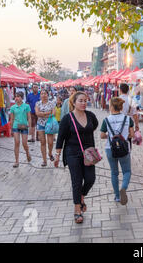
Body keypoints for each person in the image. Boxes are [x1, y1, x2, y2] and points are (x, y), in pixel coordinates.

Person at [55, 91, 99, 224]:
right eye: (80, 101)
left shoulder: (91, 116)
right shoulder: (67, 119)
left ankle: (81, 196)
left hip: (89, 153)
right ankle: (77, 210)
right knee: (77, 181)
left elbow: (94, 126)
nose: (84, 103)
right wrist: (57, 155)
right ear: (73, 103)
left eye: (85, 100)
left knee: (91, 179)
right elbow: (61, 138)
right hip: (72, 153)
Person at [100, 97, 134, 205]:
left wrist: (111, 137)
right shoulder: (128, 119)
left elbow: (102, 135)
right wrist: (122, 137)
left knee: (114, 173)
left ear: (111, 106)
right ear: (121, 107)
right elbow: (132, 134)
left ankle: (117, 196)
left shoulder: (106, 120)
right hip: (124, 149)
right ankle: (123, 187)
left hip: (110, 149)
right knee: (127, 171)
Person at [9, 92, 32, 167]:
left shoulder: (26, 106)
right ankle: (16, 161)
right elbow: (12, 119)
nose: (16, 98)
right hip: (16, 126)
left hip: (24, 125)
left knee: (24, 143)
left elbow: (29, 117)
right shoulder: (13, 107)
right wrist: (11, 129)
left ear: (22, 98)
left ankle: (27, 153)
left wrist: (30, 126)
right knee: (17, 142)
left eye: (18, 96)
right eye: (15, 96)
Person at [35, 89, 56, 167]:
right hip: (40, 124)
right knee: (42, 142)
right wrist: (48, 113)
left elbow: (53, 113)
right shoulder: (38, 103)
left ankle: (50, 153)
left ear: (48, 95)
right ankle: (44, 160)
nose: (43, 95)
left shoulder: (51, 103)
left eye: (45, 93)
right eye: (42, 94)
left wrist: (42, 114)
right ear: (40, 95)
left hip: (49, 124)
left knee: (50, 142)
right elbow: (37, 113)